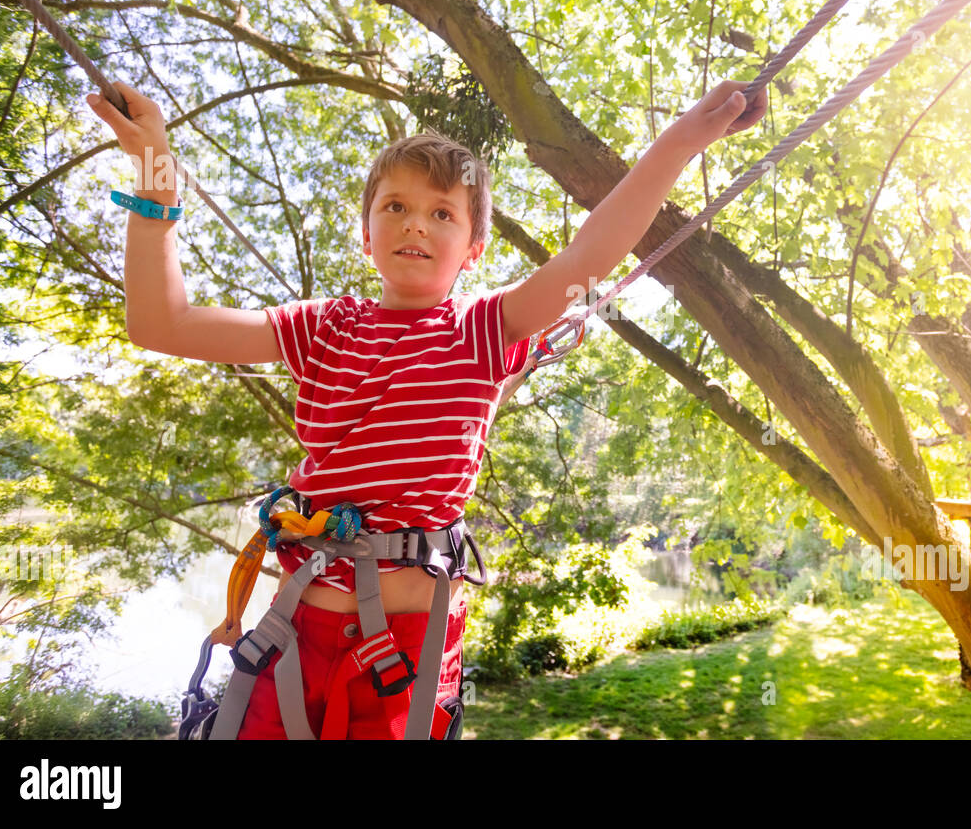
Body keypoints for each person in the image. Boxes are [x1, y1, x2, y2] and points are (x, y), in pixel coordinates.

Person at [86, 76, 766, 739]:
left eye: (443, 213)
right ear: (365, 236)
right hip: (293, 636)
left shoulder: (484, 330)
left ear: (473, 249)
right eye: (396, 207)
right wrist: (156, 185)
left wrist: (682, 139)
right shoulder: (322, 327)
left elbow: (592, 250)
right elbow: (161, 323)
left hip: (403, 652)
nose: (417, 223)